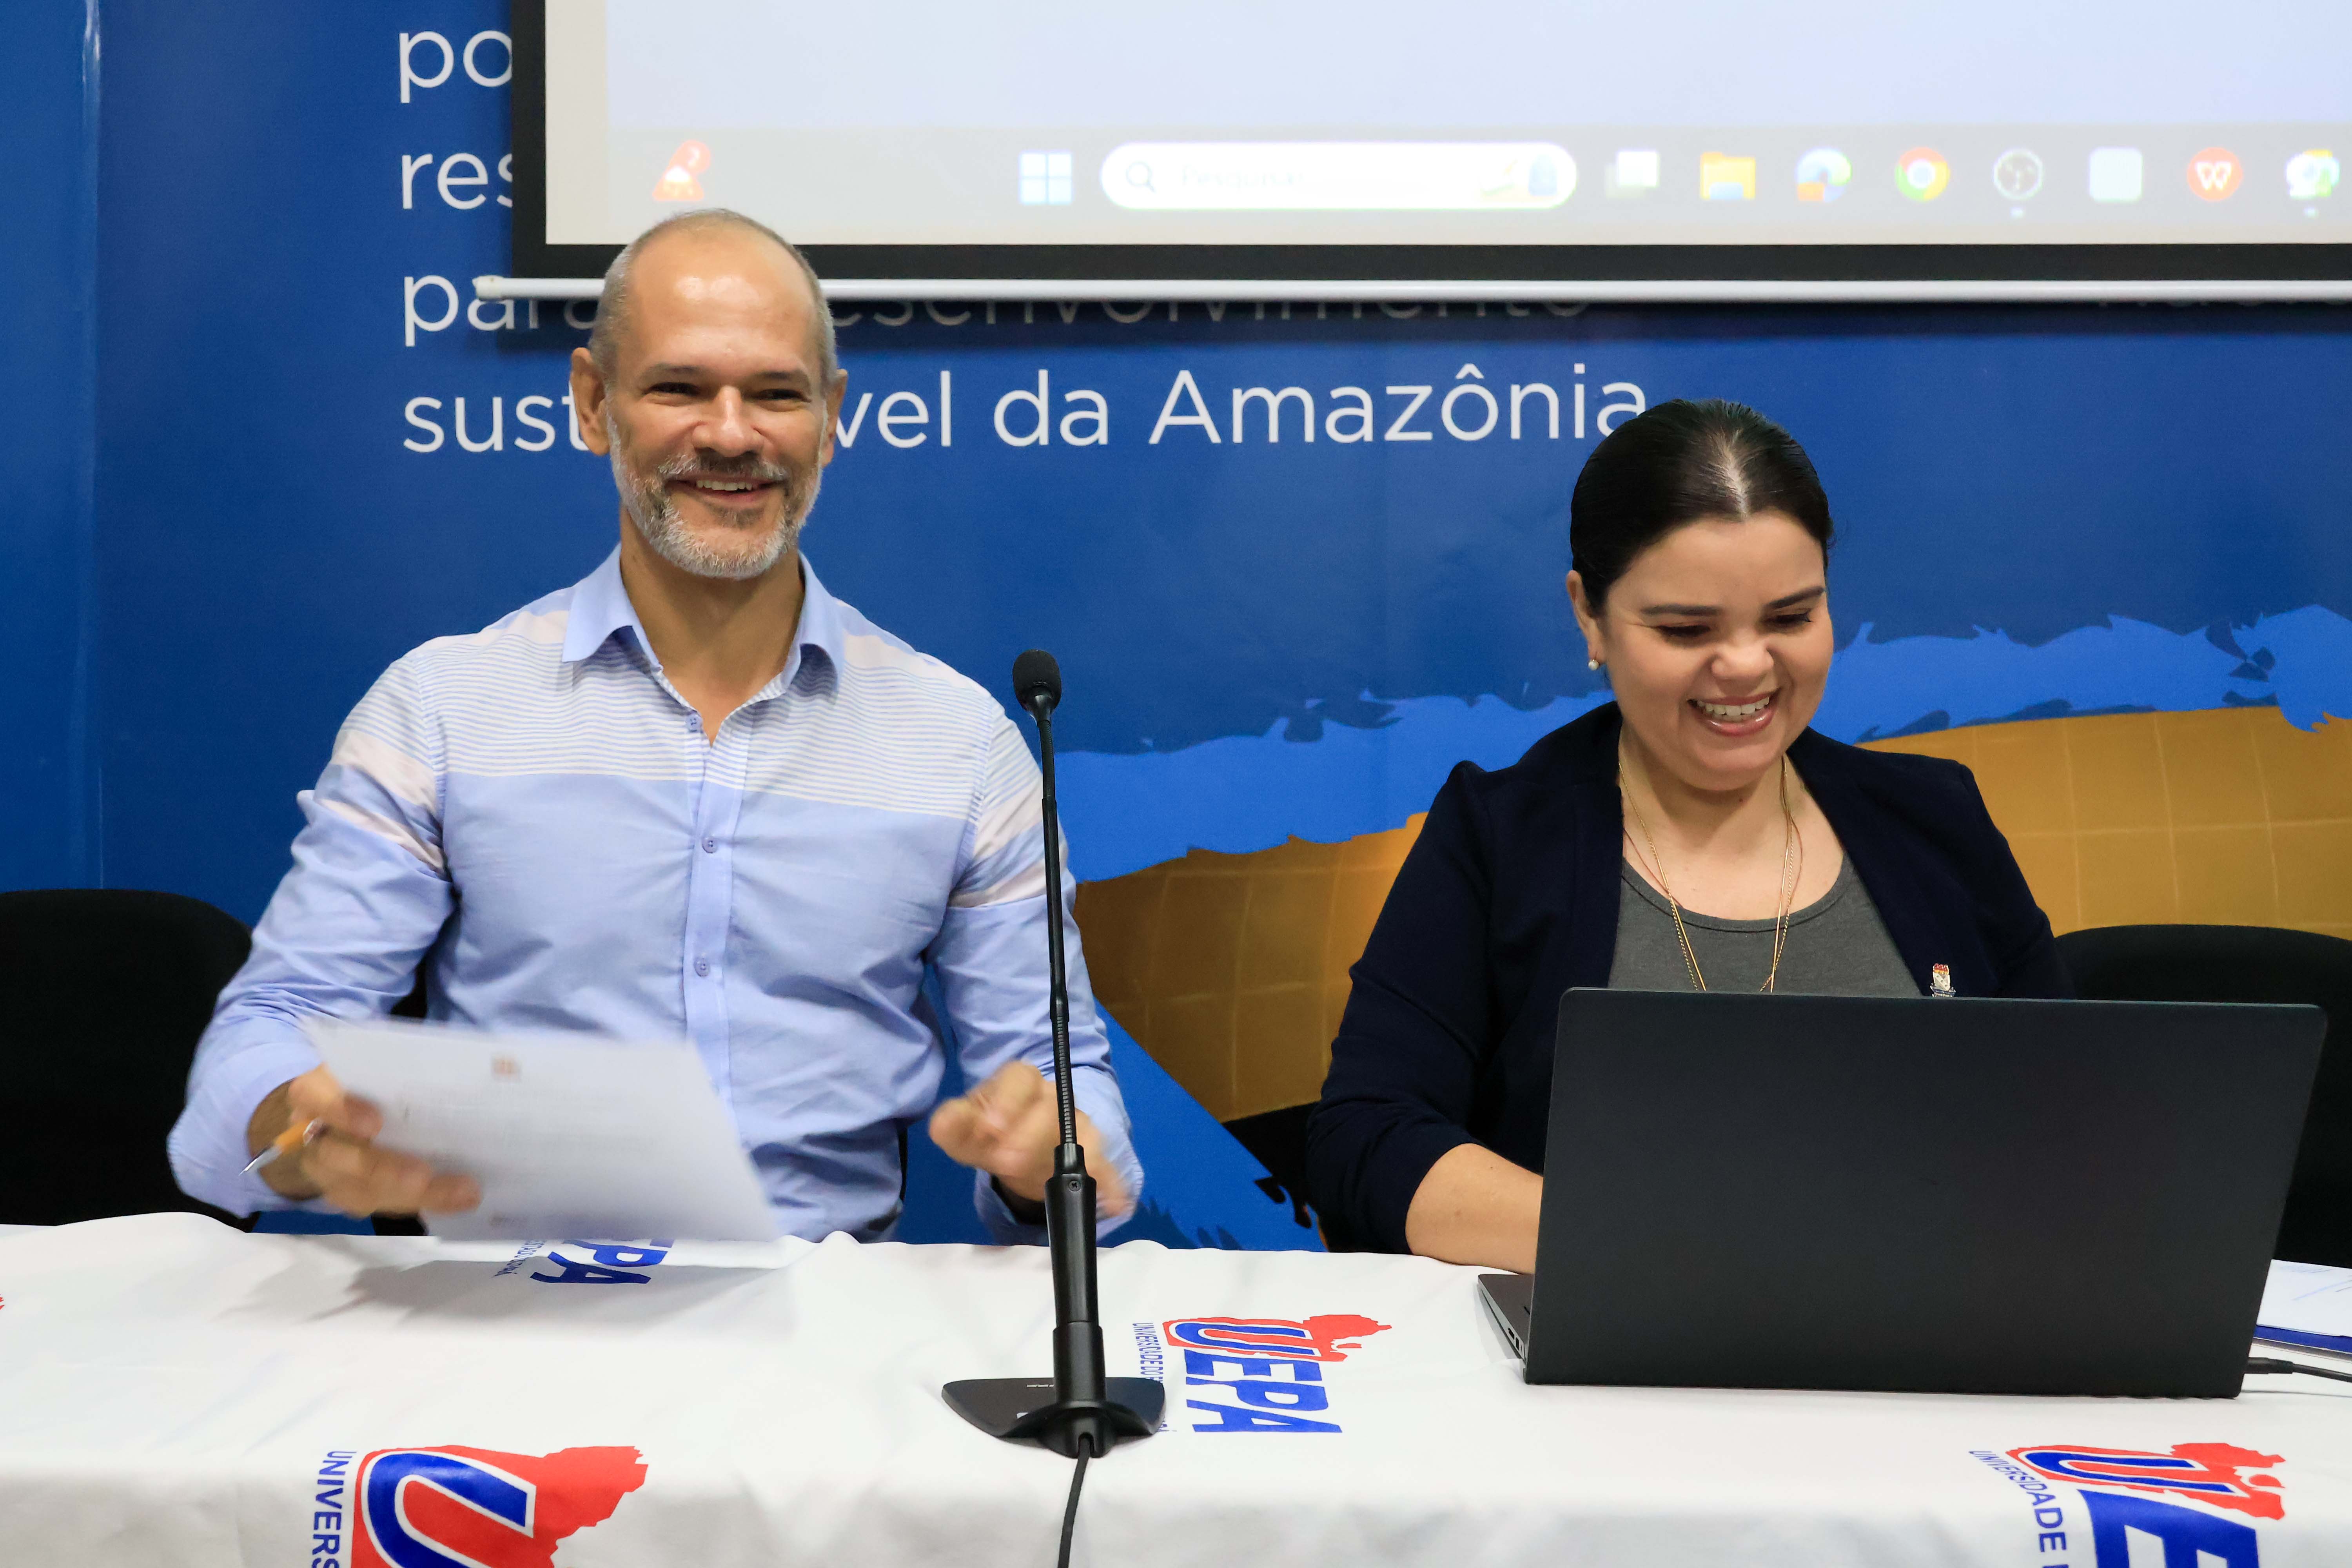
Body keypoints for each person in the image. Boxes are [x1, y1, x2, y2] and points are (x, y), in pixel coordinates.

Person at [169, 209, 1142, 1240]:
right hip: (503, 1323)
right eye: (679, 388)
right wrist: (307, 1127)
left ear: (832, 415)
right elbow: (268, 1037)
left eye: (777, 393)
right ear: (594, 403)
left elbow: (1062, 1078)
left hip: (824, 1332)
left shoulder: (960, 743)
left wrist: (1054, 1150)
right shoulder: (441, 709)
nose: (731, 435)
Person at [1305, 398, 2065, 1271]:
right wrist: (1669, 1242)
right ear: (1589, 616)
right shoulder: (1502, 836)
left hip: (1930, 1367)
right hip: (1602, 1379)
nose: (1745, 664)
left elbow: (2067, 1116)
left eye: (1790, 618)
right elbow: (1365, 1142)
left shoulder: (1934, 819)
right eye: (1686, 630)